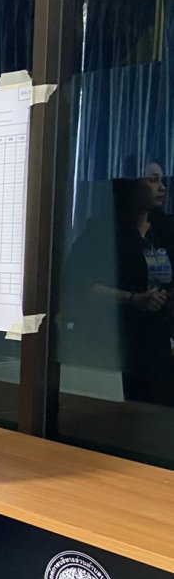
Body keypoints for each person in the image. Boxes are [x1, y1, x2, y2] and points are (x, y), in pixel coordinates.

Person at [61, 161, 172, 404]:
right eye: (152, 180)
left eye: (162, 180)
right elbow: (78, 285)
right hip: (116, 341)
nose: (162, 187)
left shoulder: (166, 228)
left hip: (158, 344)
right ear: (132, 184)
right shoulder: (103, 230)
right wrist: (133, 299)